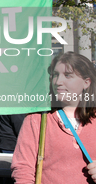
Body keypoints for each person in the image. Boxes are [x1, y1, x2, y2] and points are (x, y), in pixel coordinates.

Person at [11, 52, 96, 183]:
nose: (58, 81)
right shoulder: (37, 119)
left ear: (86, 82)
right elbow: (23, 169)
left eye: (68, 75)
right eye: (55, 75)